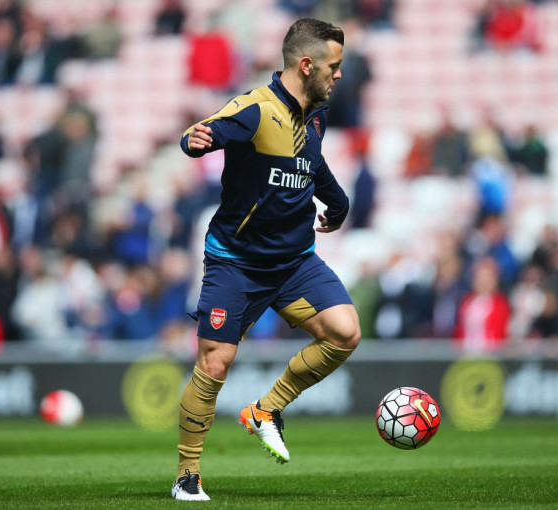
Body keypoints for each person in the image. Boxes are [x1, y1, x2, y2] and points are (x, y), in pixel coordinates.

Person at [171, 18, 360, 502]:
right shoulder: (257, 108)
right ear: (306, 64)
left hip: (294, 262)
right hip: (236, 261)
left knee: (345, 331)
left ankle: (265, 410)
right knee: (215, 365)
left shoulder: (315, 114)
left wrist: (337, 203)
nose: (338, 75)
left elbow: (311, 164)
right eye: (333, 66)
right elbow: (208, 127)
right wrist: (196, 139)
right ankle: (187, 475)